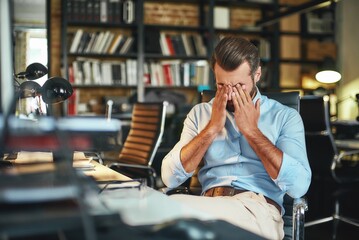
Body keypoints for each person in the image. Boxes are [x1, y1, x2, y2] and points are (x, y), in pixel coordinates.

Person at [161, 36, 311, 239]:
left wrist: (252, 132)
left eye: (239, 86)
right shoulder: (201, 114)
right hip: (209, 204)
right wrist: (211, 128)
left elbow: (299, 186)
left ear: (257, 74)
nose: (230, 95)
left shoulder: (285, 117)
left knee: (168, 213)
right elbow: (170, 177)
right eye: (222, 86)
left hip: (258, 210)